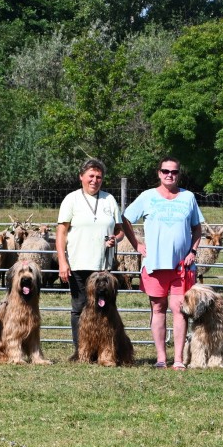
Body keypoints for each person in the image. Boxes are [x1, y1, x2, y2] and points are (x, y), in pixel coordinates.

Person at [122, 156, 204, 371]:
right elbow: (126, 218)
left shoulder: (188, 198)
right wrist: (137, 245)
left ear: (179, 174)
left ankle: (177, 359)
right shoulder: (147, 197)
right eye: (166, 171)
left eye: (174, 172)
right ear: (159, 173)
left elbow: (197, 228)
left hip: (181, 266)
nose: (170, 175)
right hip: (155, 265)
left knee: (179, 309)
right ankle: (160, 358)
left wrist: (193, 251)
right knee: (158, 308)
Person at [56, 158, 124, 355]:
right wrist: (62, 260)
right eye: (91, 176)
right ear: (81, 177)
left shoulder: (109, 200)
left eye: (99, 177)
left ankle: (104, 349)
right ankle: (82, 351)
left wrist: (115, 238)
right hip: (78, 263)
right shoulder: (71, 199)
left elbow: (119, 230)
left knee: (105, 309)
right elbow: (61, 232)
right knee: (79, 308)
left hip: (102, 267)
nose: (95, 180)